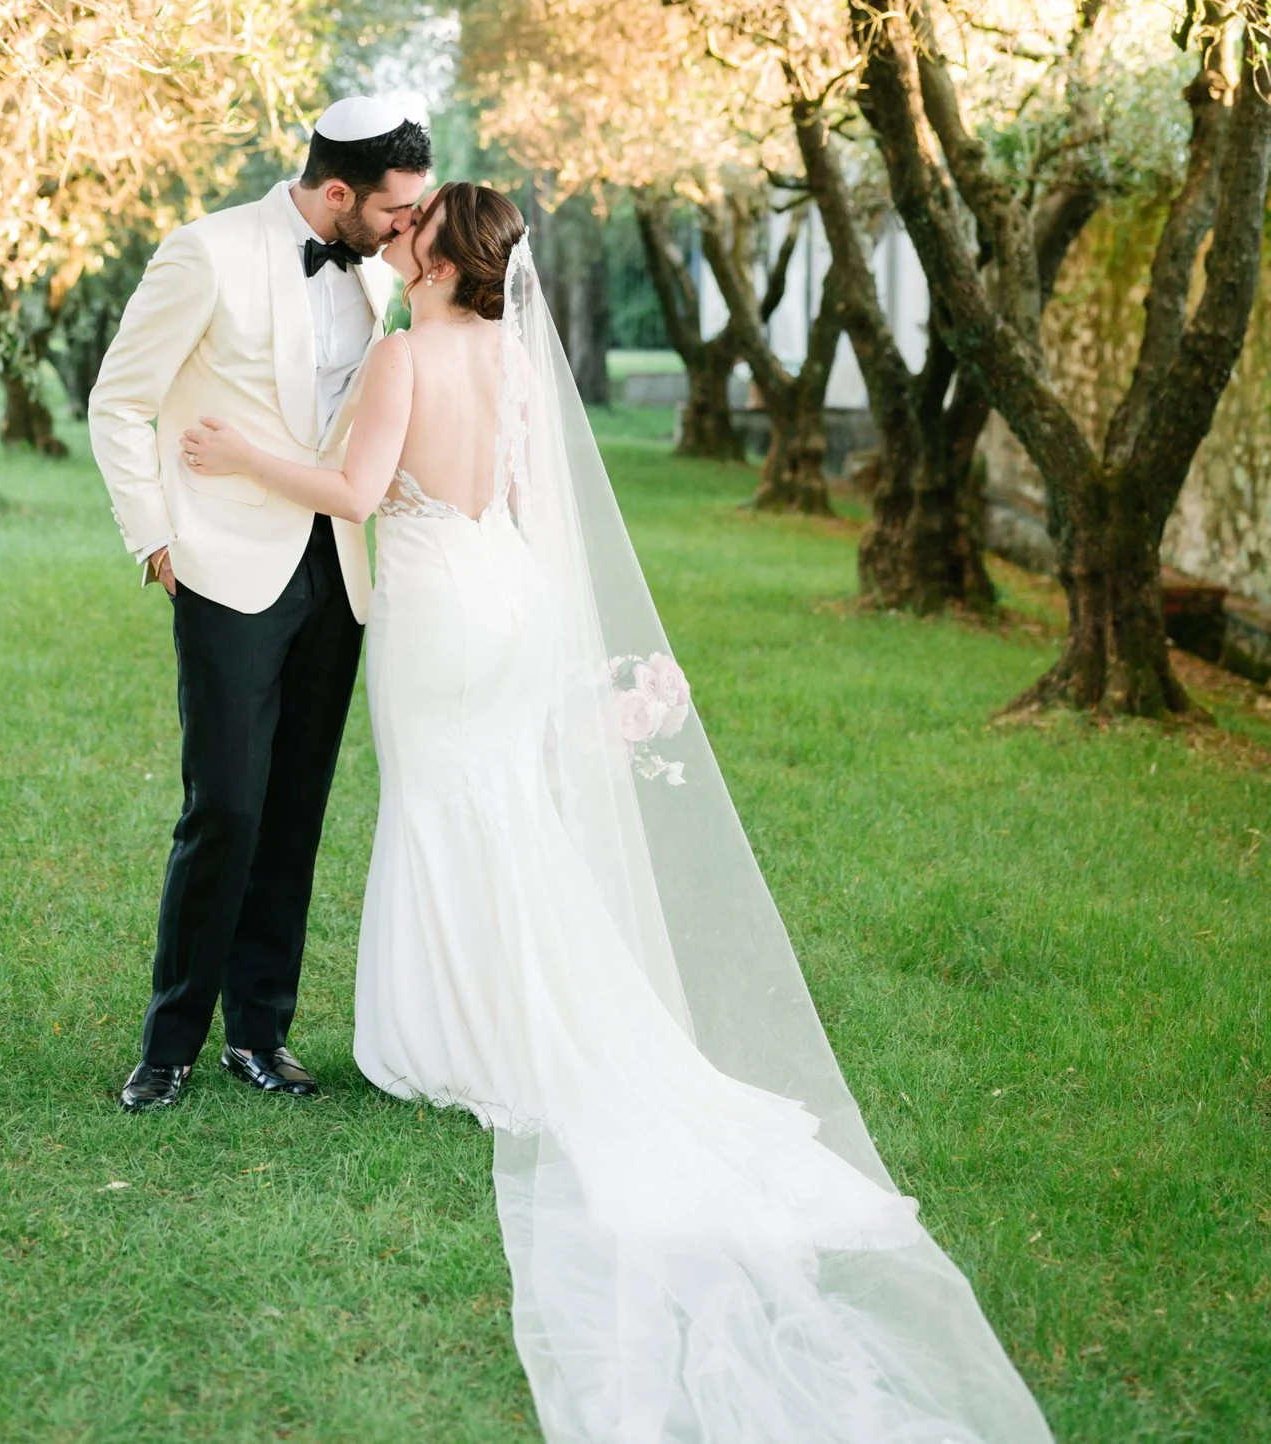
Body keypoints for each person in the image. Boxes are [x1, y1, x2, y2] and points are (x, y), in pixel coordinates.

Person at [181, 182, 1056, 1443]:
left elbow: (355, 493)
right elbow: (535, 509)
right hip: (513, 598)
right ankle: (524, 1011)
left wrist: (235, 451)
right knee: (506, 812)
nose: (396, 234)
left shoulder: (405, 355)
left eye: (411, 228)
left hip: (433, 607)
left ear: (432, 256)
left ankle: (459, 1036)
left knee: (441, 809)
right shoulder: (516, 362)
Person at [87, 96, 431, 1113]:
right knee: (225, 807)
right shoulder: (205, 251)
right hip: (224, 564)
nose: (407, 227)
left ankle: (260, 1033)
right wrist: (152, 532)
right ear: (337, 193)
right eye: (394, 210)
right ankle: (169, 1042)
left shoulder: (381, 271)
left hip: (337, 564)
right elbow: (119, 396)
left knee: (293, 812)